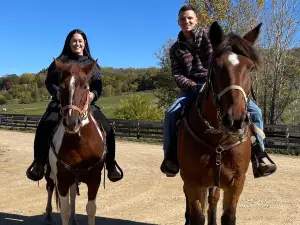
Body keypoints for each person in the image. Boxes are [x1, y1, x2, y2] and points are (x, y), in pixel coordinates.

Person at [160, 5, 276, 178]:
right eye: (183, 19)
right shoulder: (175, 49)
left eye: (190, 18)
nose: (187, 21)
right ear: (178, 22)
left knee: (256, 112)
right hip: (192, 88)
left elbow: (225, 60)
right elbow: (177, 74)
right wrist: (193, 86)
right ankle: (170, 156)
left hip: (219, 85)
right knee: (171, 113)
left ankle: (260, 154)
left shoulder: (210, 38)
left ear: (196, 20)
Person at [26, 29, 123, 182]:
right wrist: (57, 93)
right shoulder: (60, 62)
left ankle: (111, 165)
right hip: (61, 103)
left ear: (84, 43)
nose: (77, 43)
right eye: (74, 41)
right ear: (69, 43)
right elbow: (49, 82)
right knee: (44, 125)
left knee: (108, 128)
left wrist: (93, 95)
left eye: (80, 41)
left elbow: (98, 86)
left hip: (85, 104)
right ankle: (39, 163)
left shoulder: (91, 65)